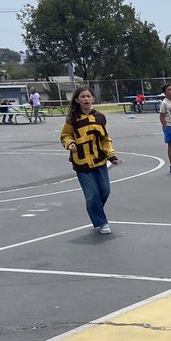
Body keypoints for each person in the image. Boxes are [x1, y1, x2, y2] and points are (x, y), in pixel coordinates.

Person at [60, 86, 119, 233]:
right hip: (82, 163)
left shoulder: (100, 117)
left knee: (105, 191)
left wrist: (111, 154)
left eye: (88, 96)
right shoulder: (72, 120)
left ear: (93, 98)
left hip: (100, 161)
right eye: (83, 96)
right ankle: (102, 222)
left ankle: (96, 210)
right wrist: (70, 143)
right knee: (92, 194)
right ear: (77, 100)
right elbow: (65, 136)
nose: (86, 99)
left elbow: (105, 139)